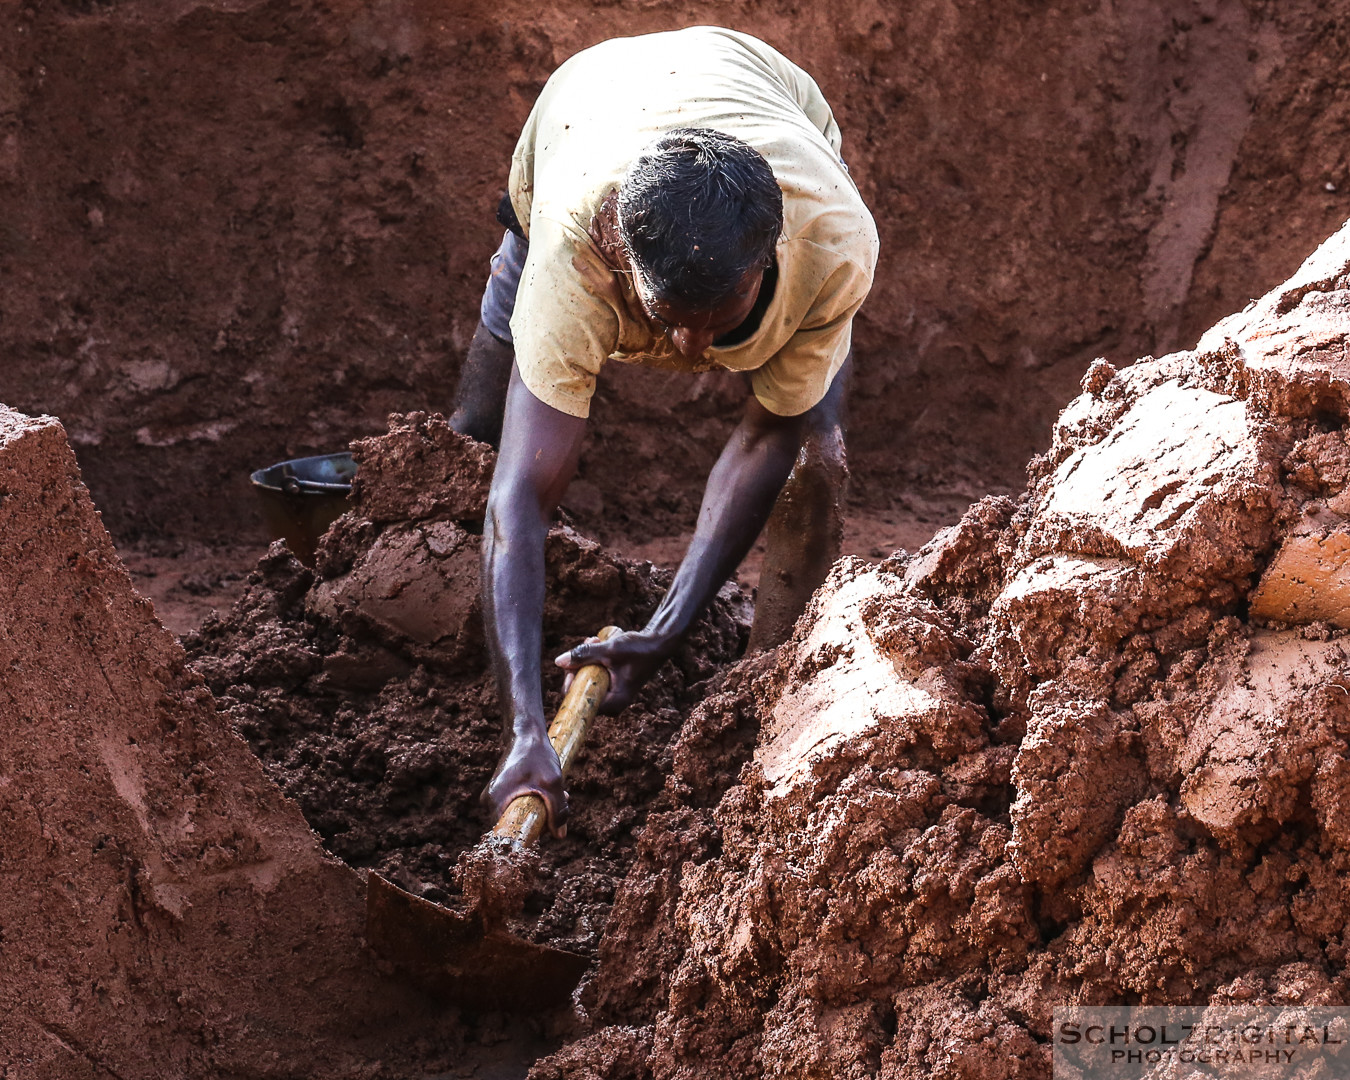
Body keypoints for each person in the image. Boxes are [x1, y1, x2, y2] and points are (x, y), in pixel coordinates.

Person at [449, 27, 879, 834]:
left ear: (770, 257)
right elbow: (522, 499)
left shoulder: (834, 241)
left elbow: (763, 438)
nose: (690, 354)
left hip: (758, 89)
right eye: (668, 320)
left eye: (719, 324)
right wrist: (527, 730)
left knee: (813, 455)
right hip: (584, 110)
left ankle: (775, 682)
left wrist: (663, 632)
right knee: (481, 427)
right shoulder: (576, 253)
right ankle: (452, 636)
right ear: (619, 254)